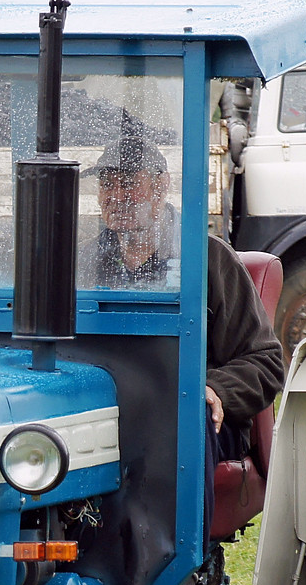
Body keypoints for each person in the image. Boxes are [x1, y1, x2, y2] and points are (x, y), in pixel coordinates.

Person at [79, 134, 285, 444]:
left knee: (181, 421)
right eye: (107, 184)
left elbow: (265, 362)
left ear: (161, 185)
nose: (116, 195)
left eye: (129, 182)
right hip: (108, 407)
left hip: (191, 418)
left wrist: (215, 388)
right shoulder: (82, 261)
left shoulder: (209, 259)